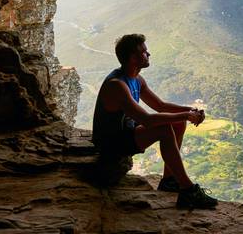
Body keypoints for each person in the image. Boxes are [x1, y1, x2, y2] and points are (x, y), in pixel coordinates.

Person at [92, 33, 218, 209]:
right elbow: (148, 120)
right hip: (111, 143)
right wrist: (187, 116)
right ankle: (188, 190)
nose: (148, 54)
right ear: (132, 58)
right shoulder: (117, 85)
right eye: (144, 52)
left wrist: (189, 111)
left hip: (125, 132)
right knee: (164, 129)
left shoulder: (136, 79)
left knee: (177, 123)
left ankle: (169, 180)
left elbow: (160, 105)